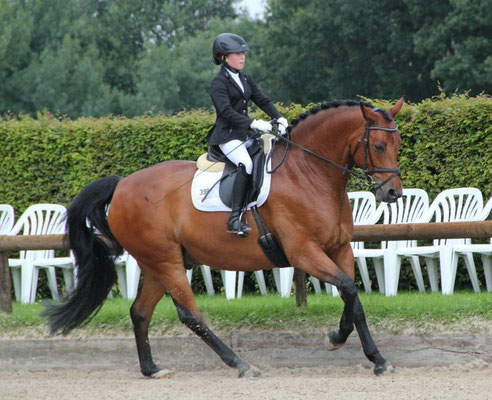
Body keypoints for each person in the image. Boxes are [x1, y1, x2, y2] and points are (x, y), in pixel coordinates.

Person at [209, 32, 288, 238]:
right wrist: (253, 122)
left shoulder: (245, 78)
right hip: (227, 136)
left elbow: (262, 100)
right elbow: (226, 112)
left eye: (243, 53)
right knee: (247, 164)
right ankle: (234, 219)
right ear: (224, 57)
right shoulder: (218, 83)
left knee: (268, 159)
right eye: (237, 53)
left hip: (245, 135)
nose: (242, 56)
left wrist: (279, 117)